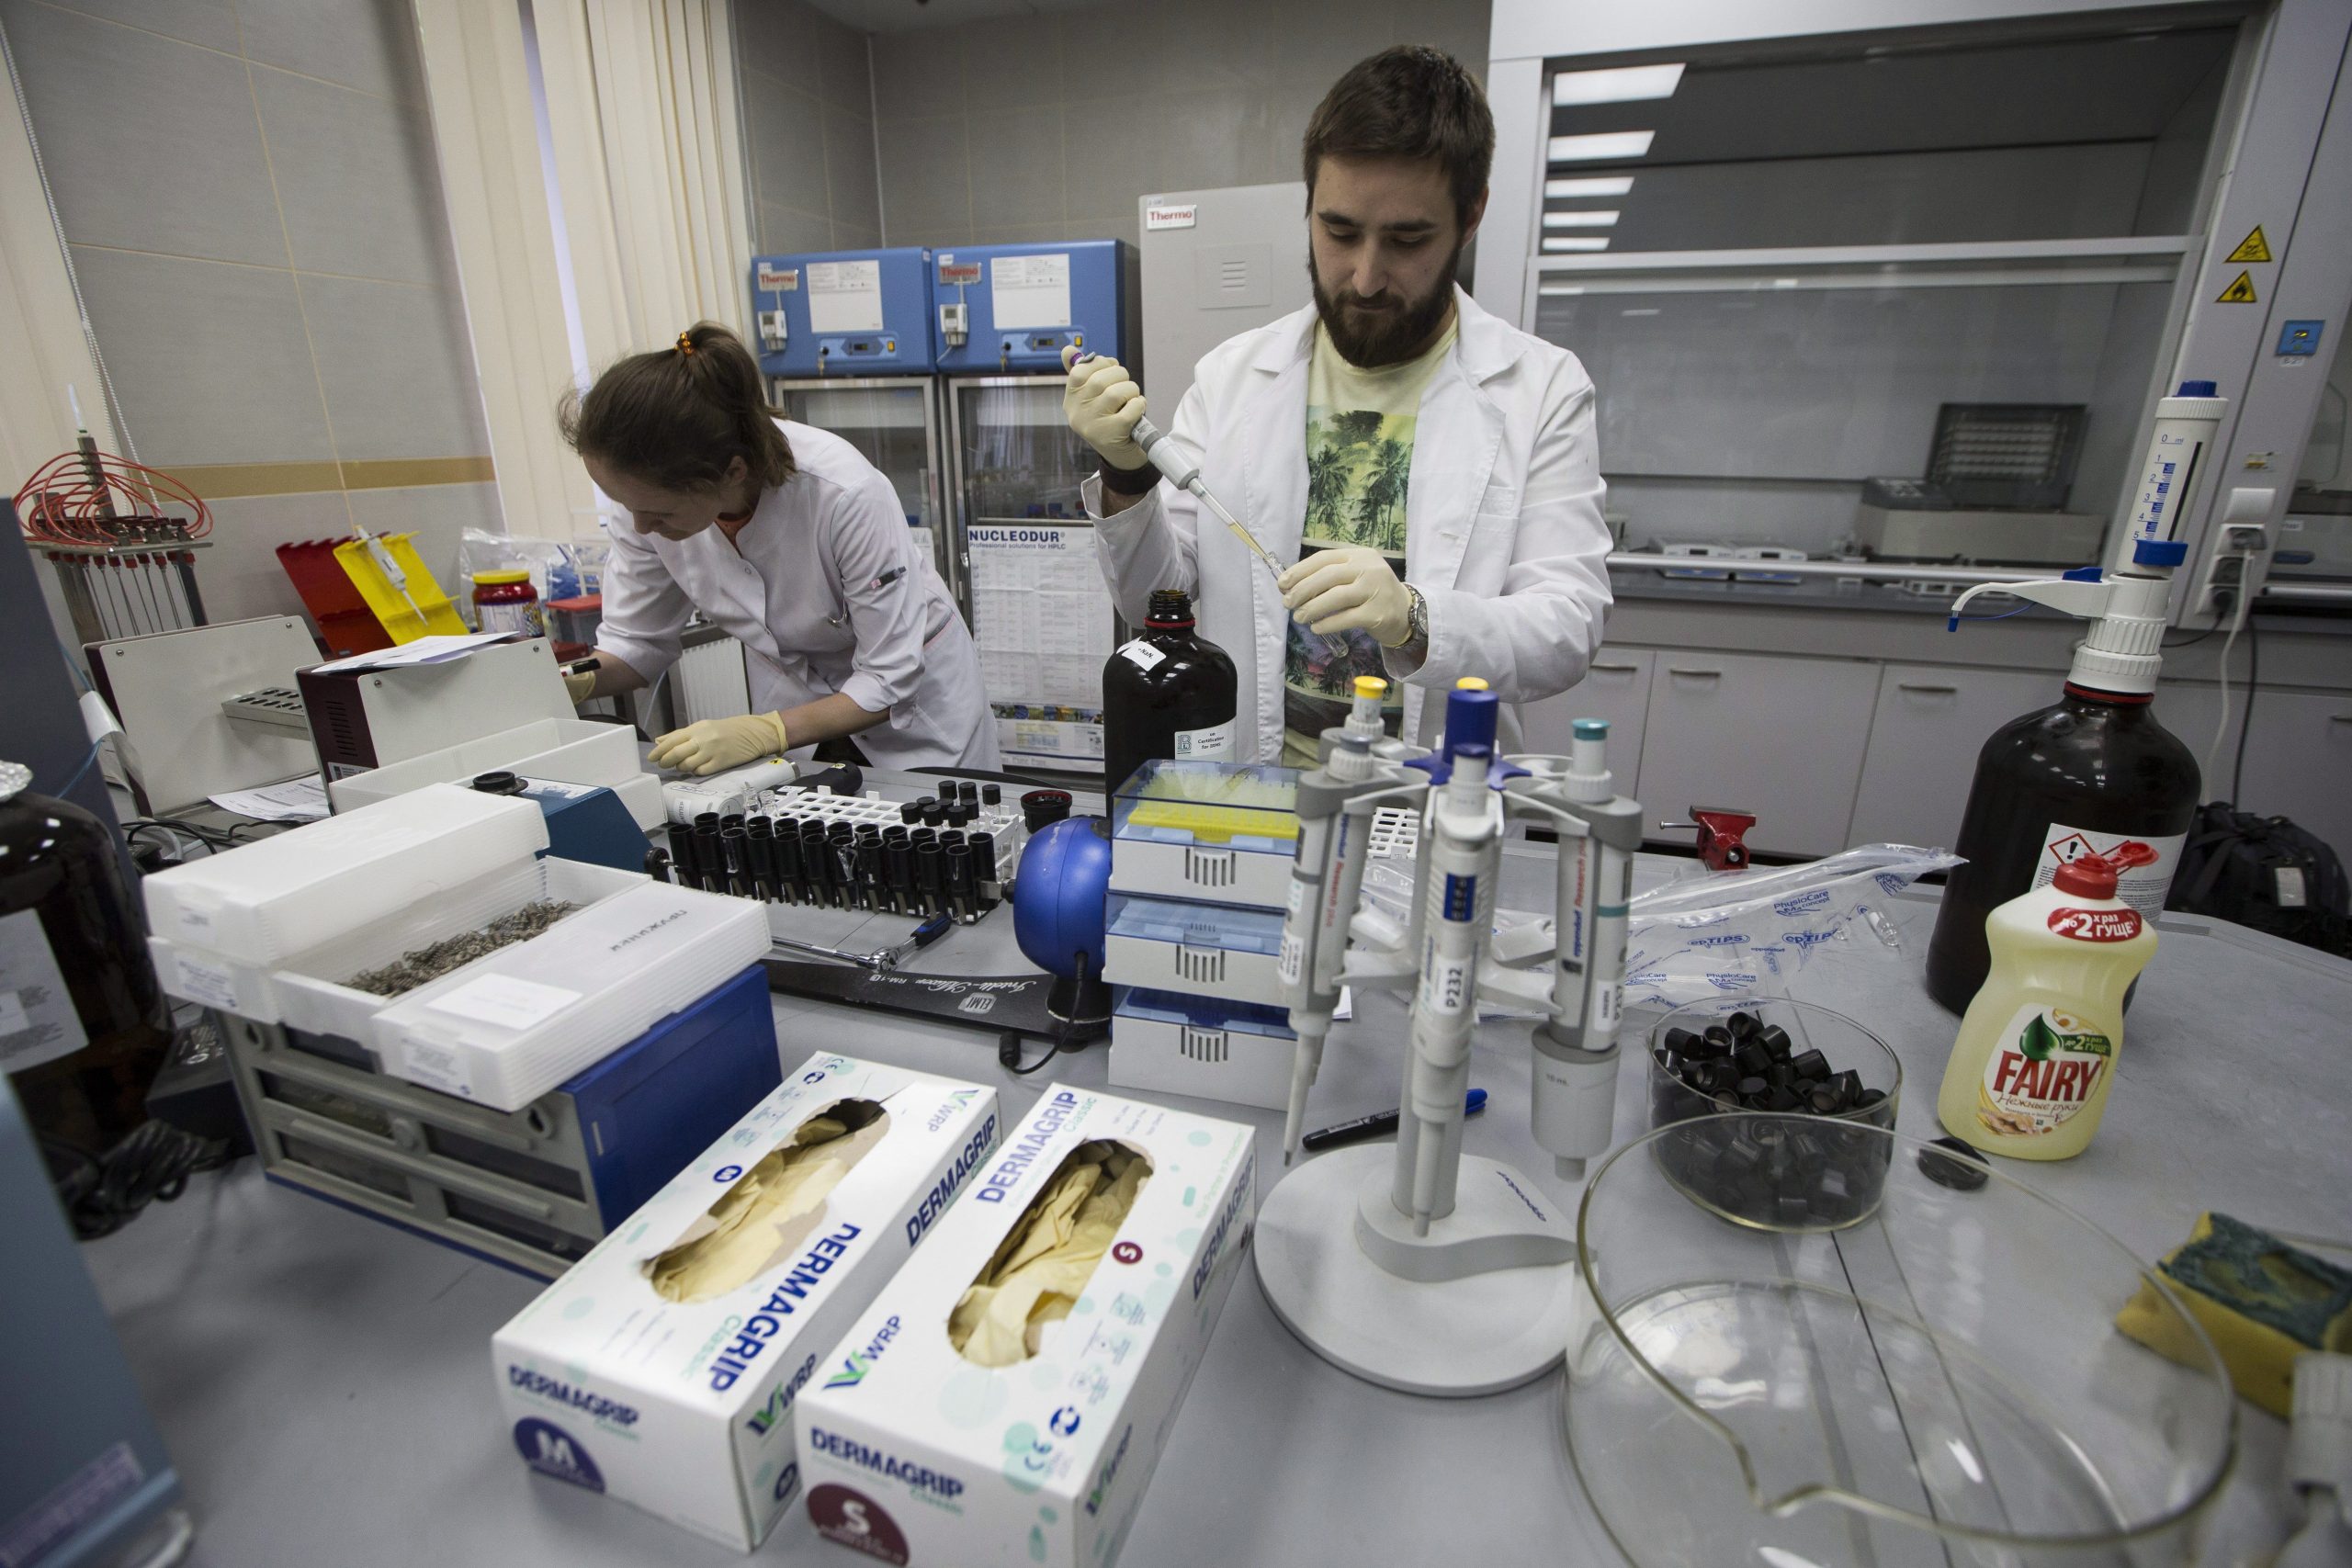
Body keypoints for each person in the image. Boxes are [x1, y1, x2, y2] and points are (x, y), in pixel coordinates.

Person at [1063, 46, 1611, 763]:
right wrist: (1127, 474)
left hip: (1428, 805)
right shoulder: (1234, 376)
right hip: (1257, 793)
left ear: (1470, 214)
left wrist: (1416, 620)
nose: (1365, 276)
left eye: (1407, 239)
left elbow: (1567, 629)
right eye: (1339, 231)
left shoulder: (1541, 389)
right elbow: (1155, 603)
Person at [560, 323, 997, 774]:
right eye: (627, 507)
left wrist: (767, 732)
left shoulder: (843, 493)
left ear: (731, 473)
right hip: (799, 720)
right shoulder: (645, 500)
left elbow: (889, 679)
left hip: (919, 724)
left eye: (660, 513)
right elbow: (635, 644)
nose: (639, 526)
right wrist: (566, 682)